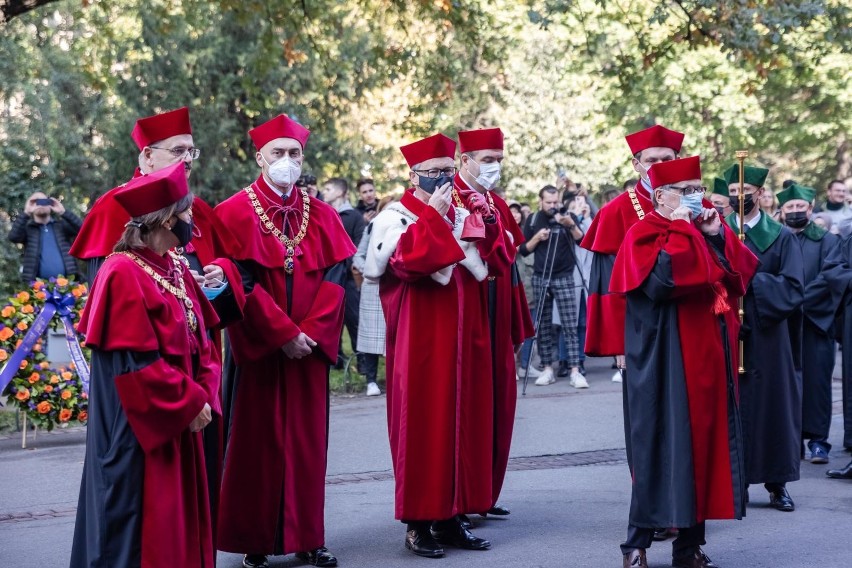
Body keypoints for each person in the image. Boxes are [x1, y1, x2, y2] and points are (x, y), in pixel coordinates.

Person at [215, 114, 354, 568]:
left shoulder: (325, 215)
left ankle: (309, 538)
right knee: (256, 448)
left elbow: (336, 281)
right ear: (260, 158)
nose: (288, 161)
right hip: (259, 349)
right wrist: (283, 334)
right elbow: (241, 283)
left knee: (307, 447)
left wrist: (309, 335)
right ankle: (255, 542)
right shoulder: (233, 212)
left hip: (308, 353)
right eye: (279, 154)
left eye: (295, 154)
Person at [70, 162, 221, 568]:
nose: (193, 223)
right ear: (168, 218)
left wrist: (202, 396)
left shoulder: (174, 265)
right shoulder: (121, 271)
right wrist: (189, 403)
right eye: (188, 215)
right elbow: (134, 365)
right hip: (141, 425)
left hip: (183, 415)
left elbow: (203, 340)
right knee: (137, 525)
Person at [612, 155, 757, 568]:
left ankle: (688, 547)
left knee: (704, 449)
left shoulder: (699, 227)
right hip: (664, 360)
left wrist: (715, 235)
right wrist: (681, 227)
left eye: (698, 189)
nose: (698, 197)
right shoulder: (644, 232)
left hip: (708, 357)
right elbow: (664, 283)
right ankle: (635, 545)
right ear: (661, 194)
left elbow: (738, 277)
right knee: (658, 447)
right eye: (688, 190)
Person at [365, 133, 495, 558]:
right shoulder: (394, 216)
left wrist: (482, 217)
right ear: (413, 174)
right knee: (422, 424)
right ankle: (418, 523)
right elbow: (407, 265)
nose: (441, 178)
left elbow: (487, 258)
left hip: (459, 335)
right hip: (419, 337)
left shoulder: (459, 209)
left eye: (446, 170)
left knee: (461, 420)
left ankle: (452, 516)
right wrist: (434, 219)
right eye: (432, 172)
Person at [455, 127, 534, 517]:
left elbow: (512, 269)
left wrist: (517, 325)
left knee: (498, 406)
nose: (494, 167)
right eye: (487, 160)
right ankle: (464, 496)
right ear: (464, 160)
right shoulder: (447, 199)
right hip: (466, 316)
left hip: (497, 311)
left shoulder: (498, 204)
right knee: (469, 406)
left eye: (498, 160)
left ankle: (485, 493)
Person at [725, 162, 805, 512]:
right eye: (731, 194)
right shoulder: (719, 230)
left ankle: (777, 484)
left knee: (773, 407)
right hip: (727, 330)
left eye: (743, 193)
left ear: (758, 194)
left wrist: (750, 278)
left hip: (768, 335)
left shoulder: (780, 235)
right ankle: (734, 484)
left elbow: (792, 286)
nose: (737, 198)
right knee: (733, 409)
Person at [580, 125, 684, 384]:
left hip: (689, 318)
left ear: (678, 161)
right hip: (639, 326)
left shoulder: (696, 203)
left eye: (667, 159)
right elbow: (607, 286)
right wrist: (618, 343)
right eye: (652, 160)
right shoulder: (615, 212)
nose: (660, 165)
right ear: (637, 164)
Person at [778, 183, 840, 465]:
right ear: (781, 211)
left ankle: (818, 441)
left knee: (817, 384)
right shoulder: (777, 239)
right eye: (789, 207)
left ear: (810, 208)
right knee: (787, 384)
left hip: (815, 323)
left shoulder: (827, 241)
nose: (794, 211)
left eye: (799, 207)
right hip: (783, 324)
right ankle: (792, 442)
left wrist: (795, 299)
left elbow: (830, 276)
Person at [519, 186, 586, 388]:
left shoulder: (568, 215)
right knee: (544, 326)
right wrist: (537, 238)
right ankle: (547, 368)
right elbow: (523, 250)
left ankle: (575, 370)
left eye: (555, 202)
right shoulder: (533, 220)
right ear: (541, 201)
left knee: (569, 325)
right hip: (541, 277)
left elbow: (582, 240)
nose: (553, 206)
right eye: (548, 202)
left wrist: (570, 225)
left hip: (565, 276)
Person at [352, 195, 398, 396]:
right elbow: (358, 255)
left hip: (395, 286)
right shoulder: (371, 228)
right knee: (371, 337)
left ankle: (395, 377)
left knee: (395, 334)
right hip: (372, 286)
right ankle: (371, 380)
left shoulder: (402, 228)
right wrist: (368, 270)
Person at [322, 177, 366, 371]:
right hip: (326, 280)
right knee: (331, 323)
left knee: (354, 321)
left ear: (340, 192)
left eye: (328, 189)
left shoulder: (354, 216)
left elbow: (358, 246)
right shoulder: (323, 214)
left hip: (348, 279)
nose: (325, 192)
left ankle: (363, 364)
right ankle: (335, 361)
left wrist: (343, 267)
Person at [8, 191, 83, 282]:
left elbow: (83, 230)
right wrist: (26, 212)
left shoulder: (61, 226)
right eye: (35, 202)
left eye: (43, 201)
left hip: (69, 286)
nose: (40, 205)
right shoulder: (29, 229)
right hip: (38, 290)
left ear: (49, 204)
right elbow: (13, 237)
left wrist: (63, 212)